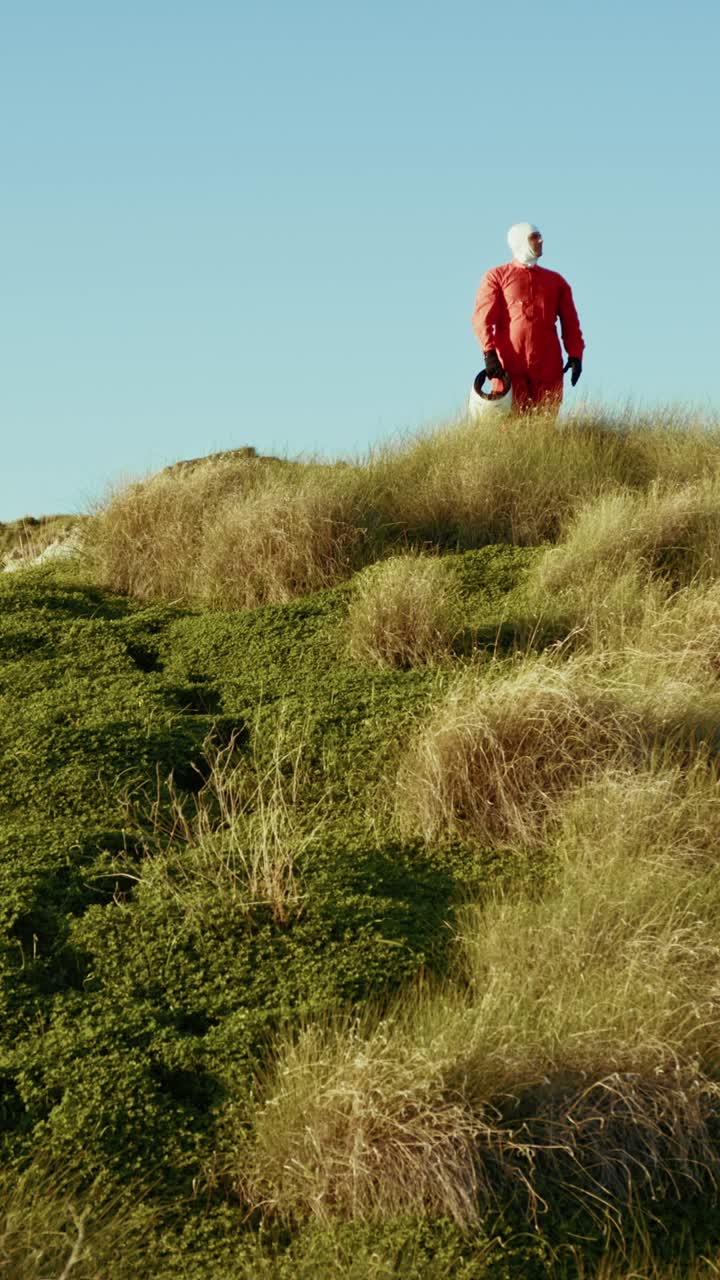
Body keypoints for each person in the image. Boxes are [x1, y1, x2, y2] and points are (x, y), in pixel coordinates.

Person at [471, 223, 584, 413]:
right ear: (520, 242)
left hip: (548, 365)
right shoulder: (497, 277)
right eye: (534, 237)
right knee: (508, 424)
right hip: (509, 364)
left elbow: (571, 323)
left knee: (544, 422)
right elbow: (482, 318)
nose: (541, 241)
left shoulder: (556, 282)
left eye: (540, 236)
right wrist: (489, 354)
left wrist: (575, 355)